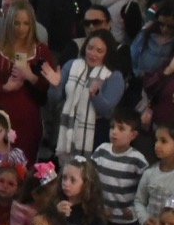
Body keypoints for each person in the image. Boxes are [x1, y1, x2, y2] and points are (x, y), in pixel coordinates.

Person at [0, 0, 53, 162]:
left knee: (24, 163)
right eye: (16, 23)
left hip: (29, 119)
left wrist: (31, 76)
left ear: (32, 24)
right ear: (9, 23)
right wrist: (4, 87)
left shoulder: (41, 51)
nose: (21, 28)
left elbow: (49, 87)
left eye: (26, 23)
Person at [42, 28, 124, 160]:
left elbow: (106, 112)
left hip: (96, 134)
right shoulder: (71, 65)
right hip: (65, 128)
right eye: (90, 48)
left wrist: (95, 95)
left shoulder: (114, 76)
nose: (92, 54)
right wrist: (55, 85)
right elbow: (53, 101)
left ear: (108, 53)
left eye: (99, 51)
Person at [89, 109, 147, 225]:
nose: (114, 132)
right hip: (103, 217)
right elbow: (90, 180)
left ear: (133, 135)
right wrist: (98, 208)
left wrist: (134, 210)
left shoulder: (137, 159)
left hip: (127, 222)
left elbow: (145, 190)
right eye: (112, 127)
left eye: (121, 128)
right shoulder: (101, 150)